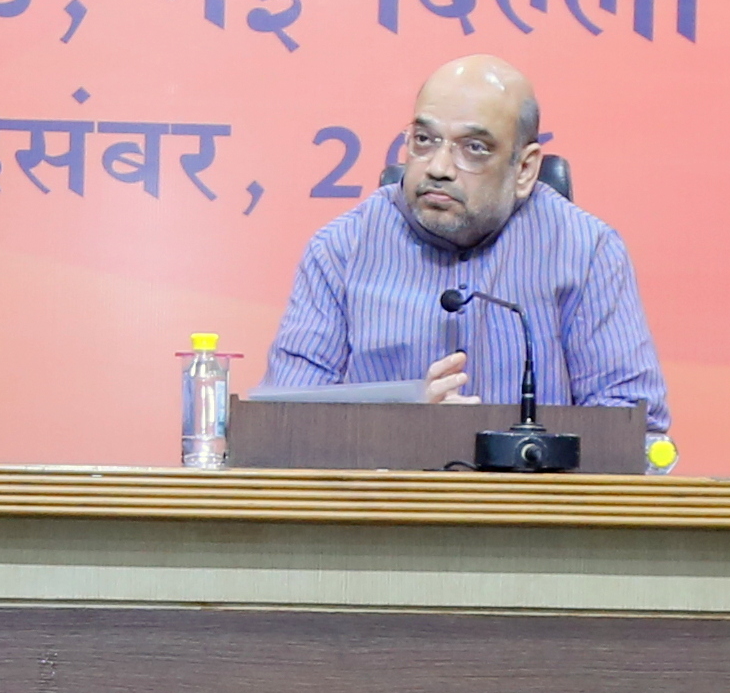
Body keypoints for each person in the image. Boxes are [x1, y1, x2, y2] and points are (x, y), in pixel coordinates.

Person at [269, 54, 667, 432]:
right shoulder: (341, 251)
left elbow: (632, 425)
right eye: (424, 140)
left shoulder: (586, 251)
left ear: (525, 169)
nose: (438, 168)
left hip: (533, 501)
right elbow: (282, 422)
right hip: (385, 500)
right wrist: (398, 429)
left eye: (473, 149)